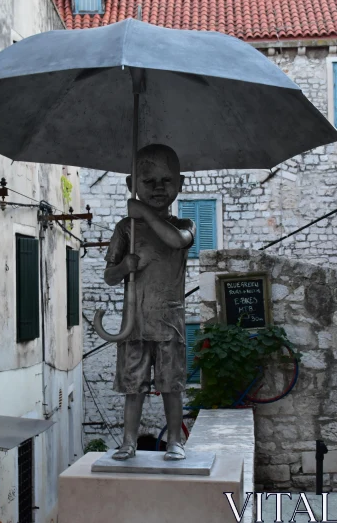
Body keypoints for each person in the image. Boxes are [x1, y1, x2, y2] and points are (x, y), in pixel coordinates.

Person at [103, 143, 195, 461]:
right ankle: (128, 440)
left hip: (170, 321)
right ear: (133, 185)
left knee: (172, 386)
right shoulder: (124, 229)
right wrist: (123, 267)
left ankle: (174, 440)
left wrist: (142, 212)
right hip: (135, 322)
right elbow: (109, 277)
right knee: (134, 386)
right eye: (148, 181)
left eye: (165, 181)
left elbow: (175, 241)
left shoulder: (184, 225)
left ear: (179, 184)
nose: (157, 188)